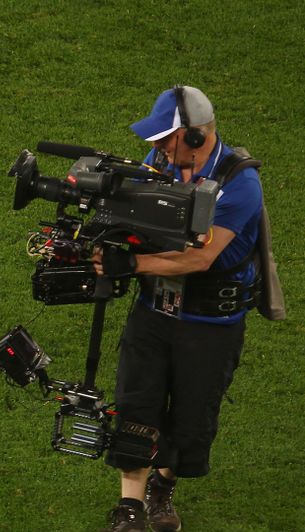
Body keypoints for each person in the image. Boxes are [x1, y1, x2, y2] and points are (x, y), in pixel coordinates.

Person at [93, 86, 262, 532]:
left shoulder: (240, 184)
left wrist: (131, 263)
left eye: (164, 140)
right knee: (136, 406)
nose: (155, 149)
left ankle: (161, 489)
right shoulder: (159, 167)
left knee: (190, 422)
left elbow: (200, 258)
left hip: (210, 325)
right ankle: (130, 508)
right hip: (154, 312)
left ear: (193, 137)